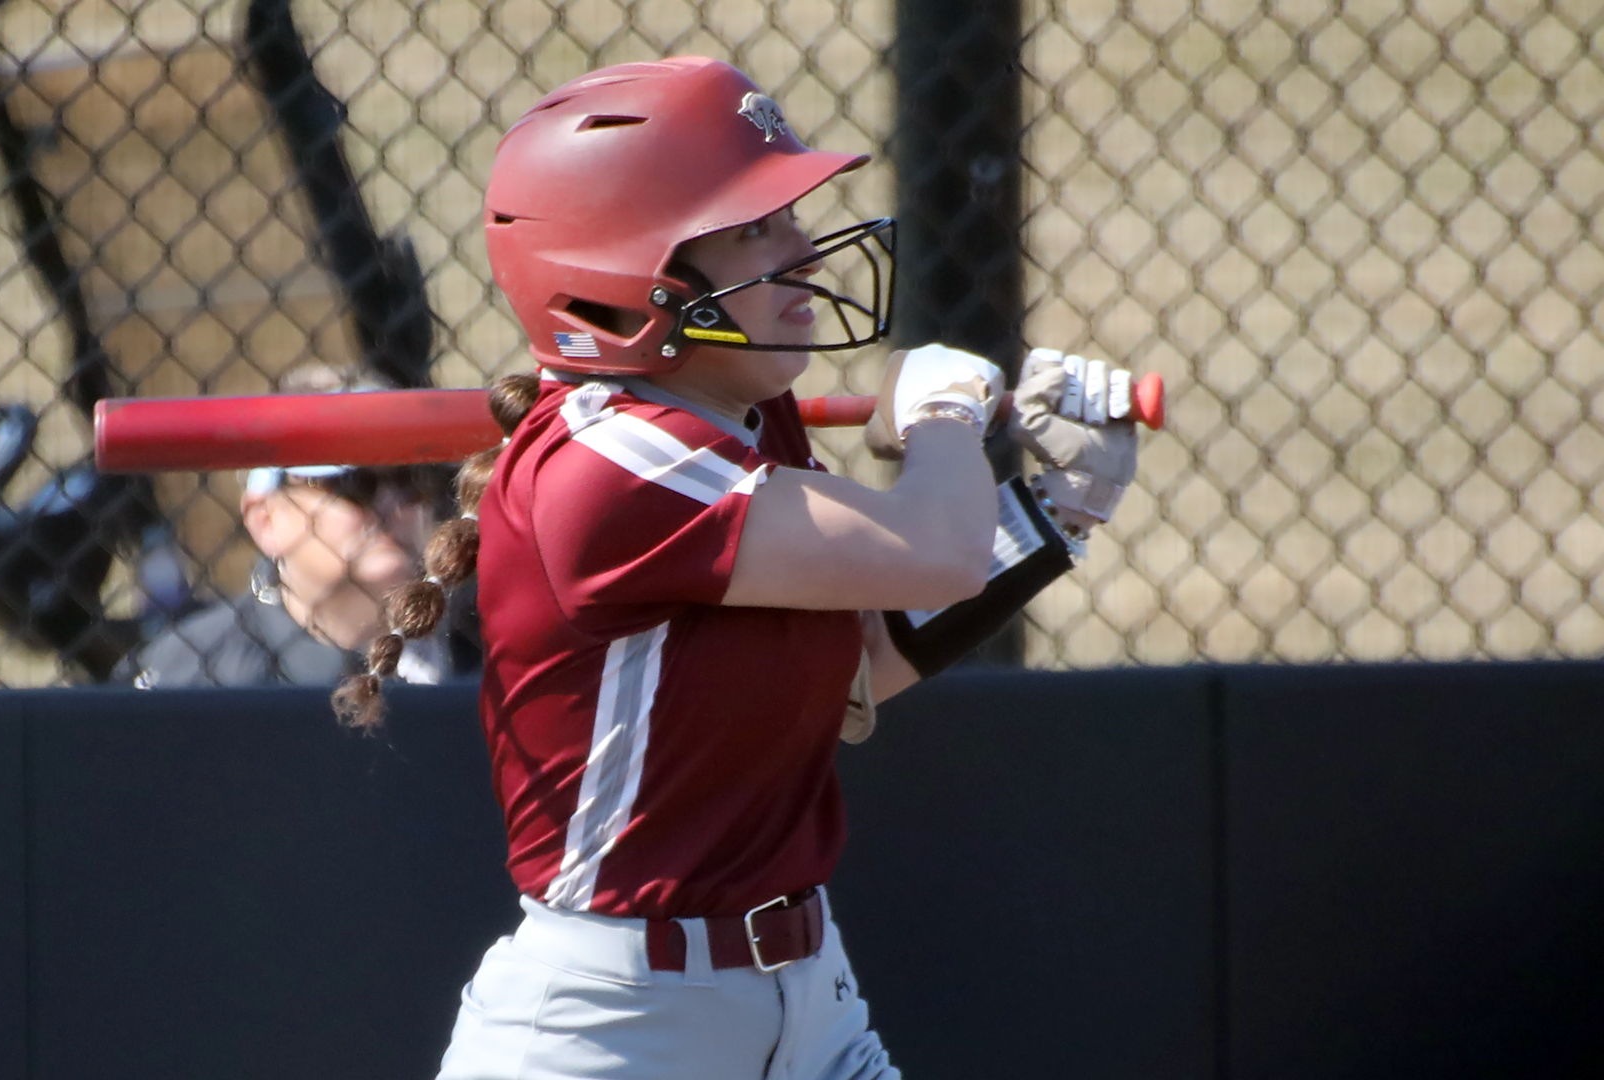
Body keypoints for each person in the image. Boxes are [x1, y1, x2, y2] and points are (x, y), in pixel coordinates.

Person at [332, 58, 1138, 1078]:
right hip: (616, 1029)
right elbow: (930, 548)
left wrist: (1062, 509)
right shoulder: (613, 460)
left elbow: (852, 671)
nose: (803, 250)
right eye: (756, 228)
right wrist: (944, 417)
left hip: (809, 1003)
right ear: (637, 277)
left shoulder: (745, 425)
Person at [122, 366, 475, 688]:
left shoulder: (493, 644)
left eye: (409, 478)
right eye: (356, 485)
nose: (391, 504)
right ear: (266, 521)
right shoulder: (189, 675)